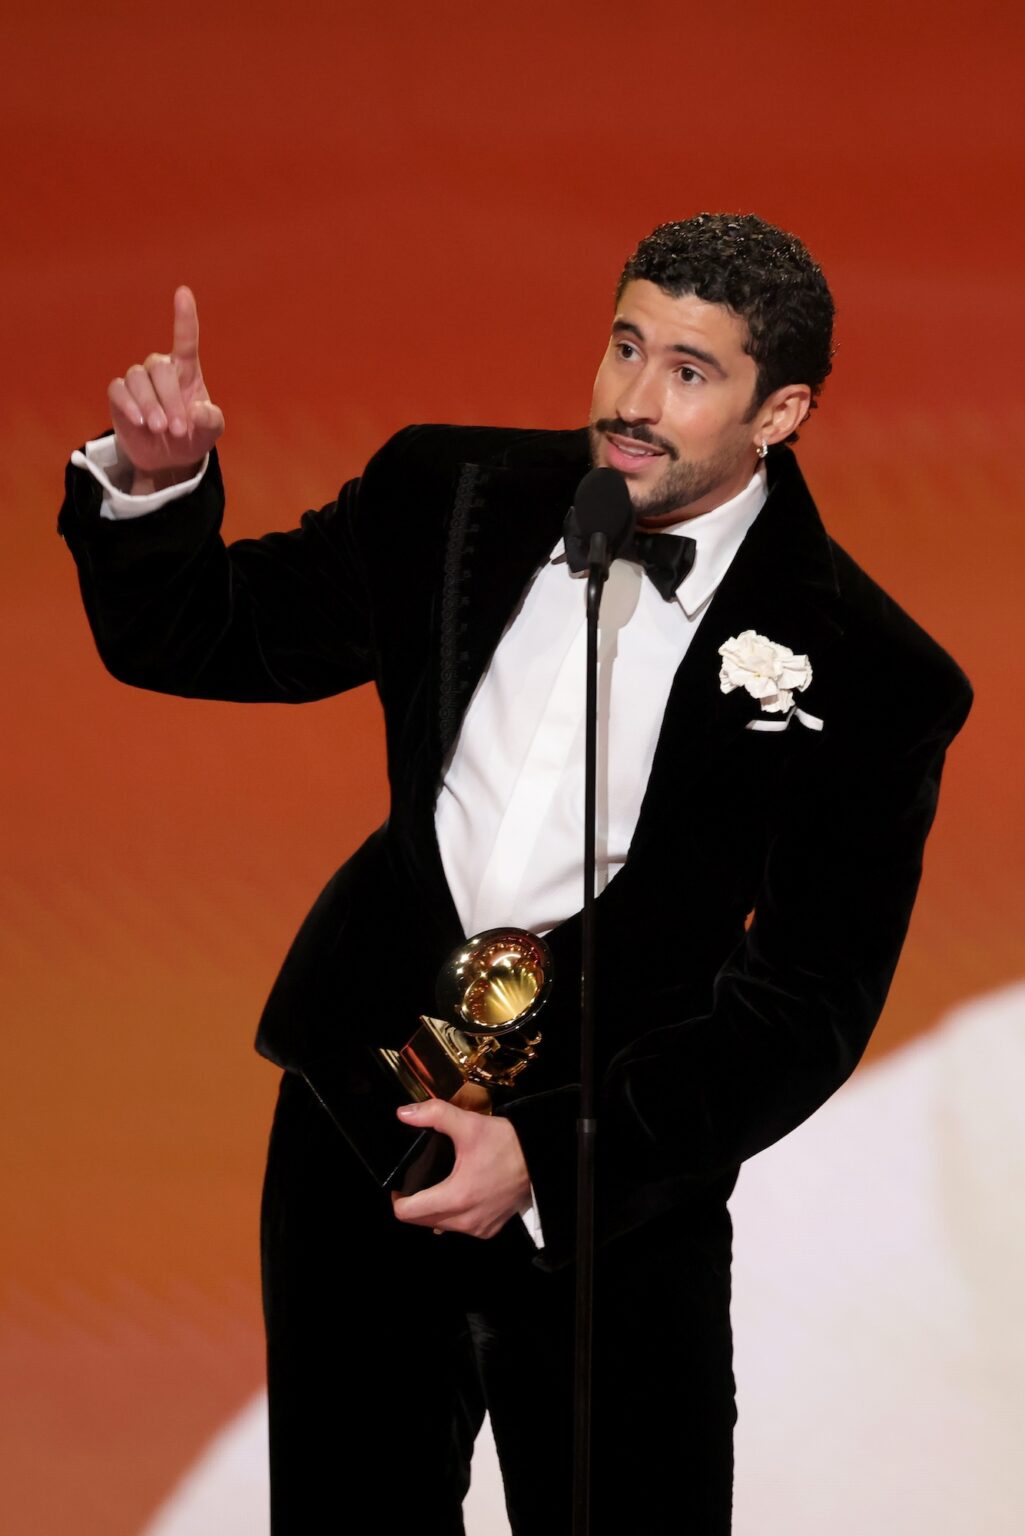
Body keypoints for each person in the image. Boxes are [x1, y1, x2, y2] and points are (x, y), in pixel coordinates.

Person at [58, 214, 971, 1534]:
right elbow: (213, 638)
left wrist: (545, 1158)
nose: (631, 400)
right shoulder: (450, 495)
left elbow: (804, 1004)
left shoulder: (873, 675)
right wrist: (155, 487)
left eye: (688, 371)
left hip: (612, 1192)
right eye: (622, 346)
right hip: (357, 1120)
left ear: (779, 411)